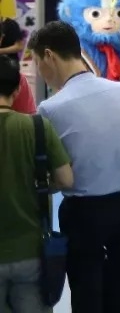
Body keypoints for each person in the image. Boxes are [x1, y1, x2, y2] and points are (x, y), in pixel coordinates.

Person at [30, 21, 120, 313]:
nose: (39, 71)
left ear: (49, 56)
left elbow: (59, 175)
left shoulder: (51, 108)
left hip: (86, 213)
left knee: (87, 293)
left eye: (36, 62)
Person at [0, 59, 73, 313]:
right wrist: (41, 186)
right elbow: (66, 179)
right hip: (32, 251)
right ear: (18, 89)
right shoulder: (37, 127)